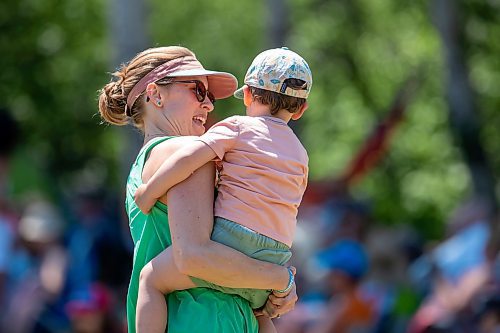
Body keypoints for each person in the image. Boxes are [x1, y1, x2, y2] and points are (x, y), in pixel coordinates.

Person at [98, 46, 298, 333]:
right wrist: (281, 279)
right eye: (198, 91)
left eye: (210, 96)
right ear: (155, 94)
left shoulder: (144, 165)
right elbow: (195, 256)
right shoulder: (189, 154)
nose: (209, 106)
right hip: (204, 319)